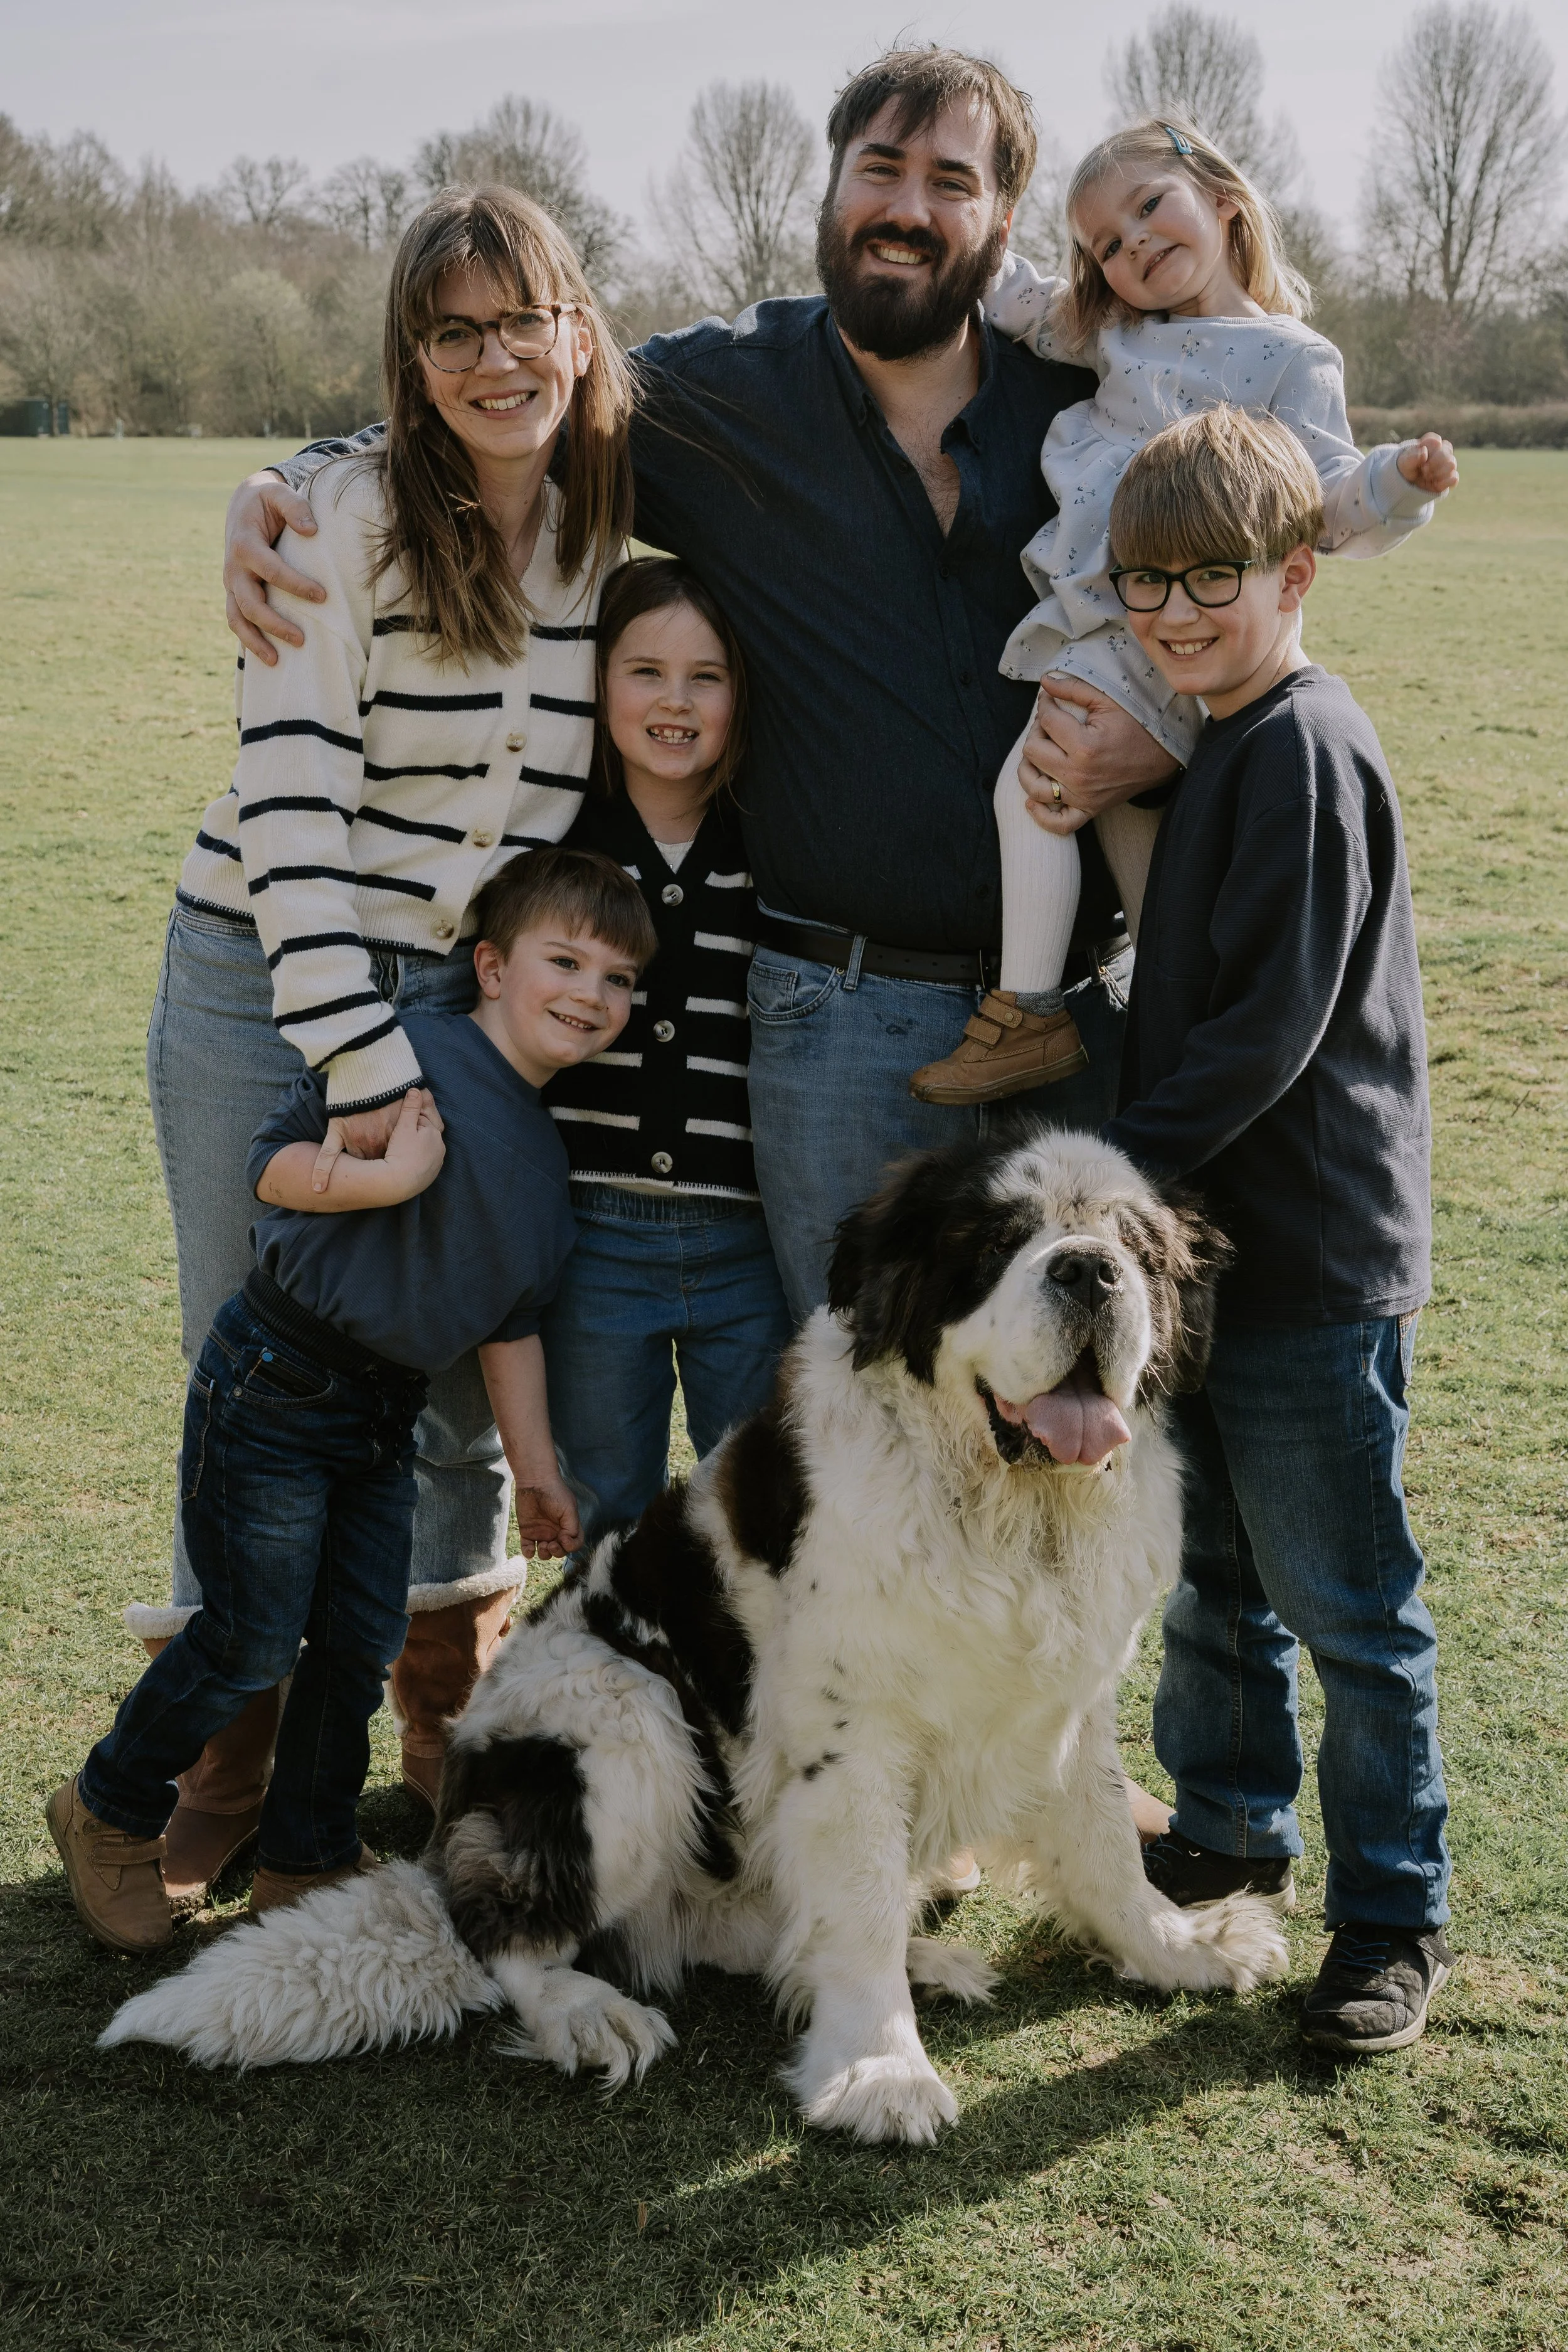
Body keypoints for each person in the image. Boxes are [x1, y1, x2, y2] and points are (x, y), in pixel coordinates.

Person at [218, 45, 1179, 1332]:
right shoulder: (715, 398)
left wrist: (1153, 746)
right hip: (838, 1017)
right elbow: (505, 390)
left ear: (1001, 216)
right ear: (827, 190)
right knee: (869, 1409)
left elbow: (1250, 526)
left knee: (1095, 1395)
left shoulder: (1091, 398)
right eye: (876, 167)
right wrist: (297, 478)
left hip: (1078, 1004)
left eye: (949, 178)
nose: (904, 204)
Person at [132, 181, 635, 1890]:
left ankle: (442, 1724)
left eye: (525, 320)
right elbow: (288, 804)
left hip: (455, 998)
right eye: (454, 332)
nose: (499, 359)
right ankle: (226, 1749)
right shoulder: (338, 516)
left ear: (577, 327)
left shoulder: (605, 524)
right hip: (252, 975)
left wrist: (426, 1053)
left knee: (438, 1393)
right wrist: (361, 1070)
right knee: (253, 1363)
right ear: (412, 365)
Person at [48, 848, 657, 1954]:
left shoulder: (544, 1165)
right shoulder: (403, 1053)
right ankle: (110, 1806)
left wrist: (537, 1471)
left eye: (618, 980)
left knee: (359, 1638)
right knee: (249, 1637)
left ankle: (308, 1853)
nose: (592, 994)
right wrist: (388, 1180)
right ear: (489, 965)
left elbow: (509, 1326)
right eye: (564, 962)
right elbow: (271, 1163)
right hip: (276, 1376)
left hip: (383, 1417)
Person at [1097, 404, 1452, 2054]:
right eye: (1143, 584)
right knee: (1218, 1577)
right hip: (1211, 1253)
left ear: (1296, 568)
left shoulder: (1302, 742)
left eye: (1209, 578)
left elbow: (1267, 1030)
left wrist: (1107, 1171)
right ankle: (1229, 1824)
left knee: (1344, 1603)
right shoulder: (1224, 728)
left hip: (1306, 1260)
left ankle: (1391, 1909)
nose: (1173, 613)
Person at [909, 114, 1459, 1109]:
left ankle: (1027, 1012)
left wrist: (1399, 481)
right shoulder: (1114, 330)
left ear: (1224, 200)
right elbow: (1023, 302)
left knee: (1034, 784)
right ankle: (1184, 1029)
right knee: (1136, 841)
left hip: (1158, 614)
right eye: (1105, 245)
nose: (1132, 246)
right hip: (1104, 599)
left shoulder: (1292, 357)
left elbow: (1325, 493)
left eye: (1149, 208)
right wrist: (968, 220)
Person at [543, 557, 792, 1549]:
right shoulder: (560, 836)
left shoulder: (772, 842)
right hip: (594, 1241)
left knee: (758, 1521)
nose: (675, 702)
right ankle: (607, 1699)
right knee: (607, 1509)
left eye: (708, 677)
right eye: (645, 672)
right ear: (599, 683)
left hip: (745, 1244)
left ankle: (735, 1705)